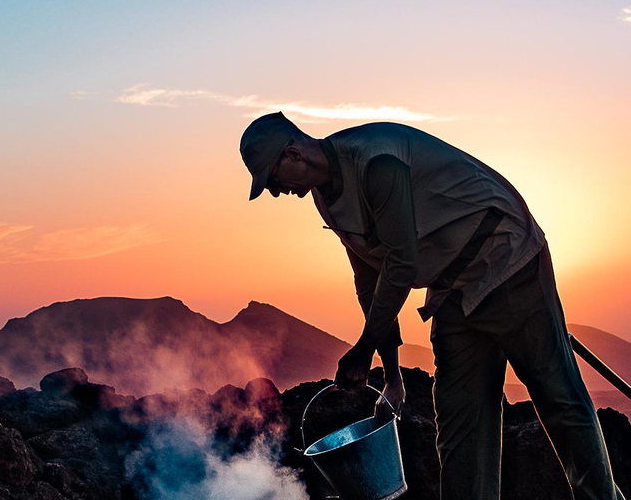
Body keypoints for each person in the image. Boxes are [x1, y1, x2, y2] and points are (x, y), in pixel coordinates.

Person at [239, 112, 624, 500]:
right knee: (460, 426)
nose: (275, 192)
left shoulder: (376, 162)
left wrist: (363, 348)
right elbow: (368, 280)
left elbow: (401, 264)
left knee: (558, 398)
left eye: (272, 180)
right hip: (451, 288)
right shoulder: (326, 199)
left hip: (506, 258)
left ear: (293, 154)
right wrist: (391, 376)